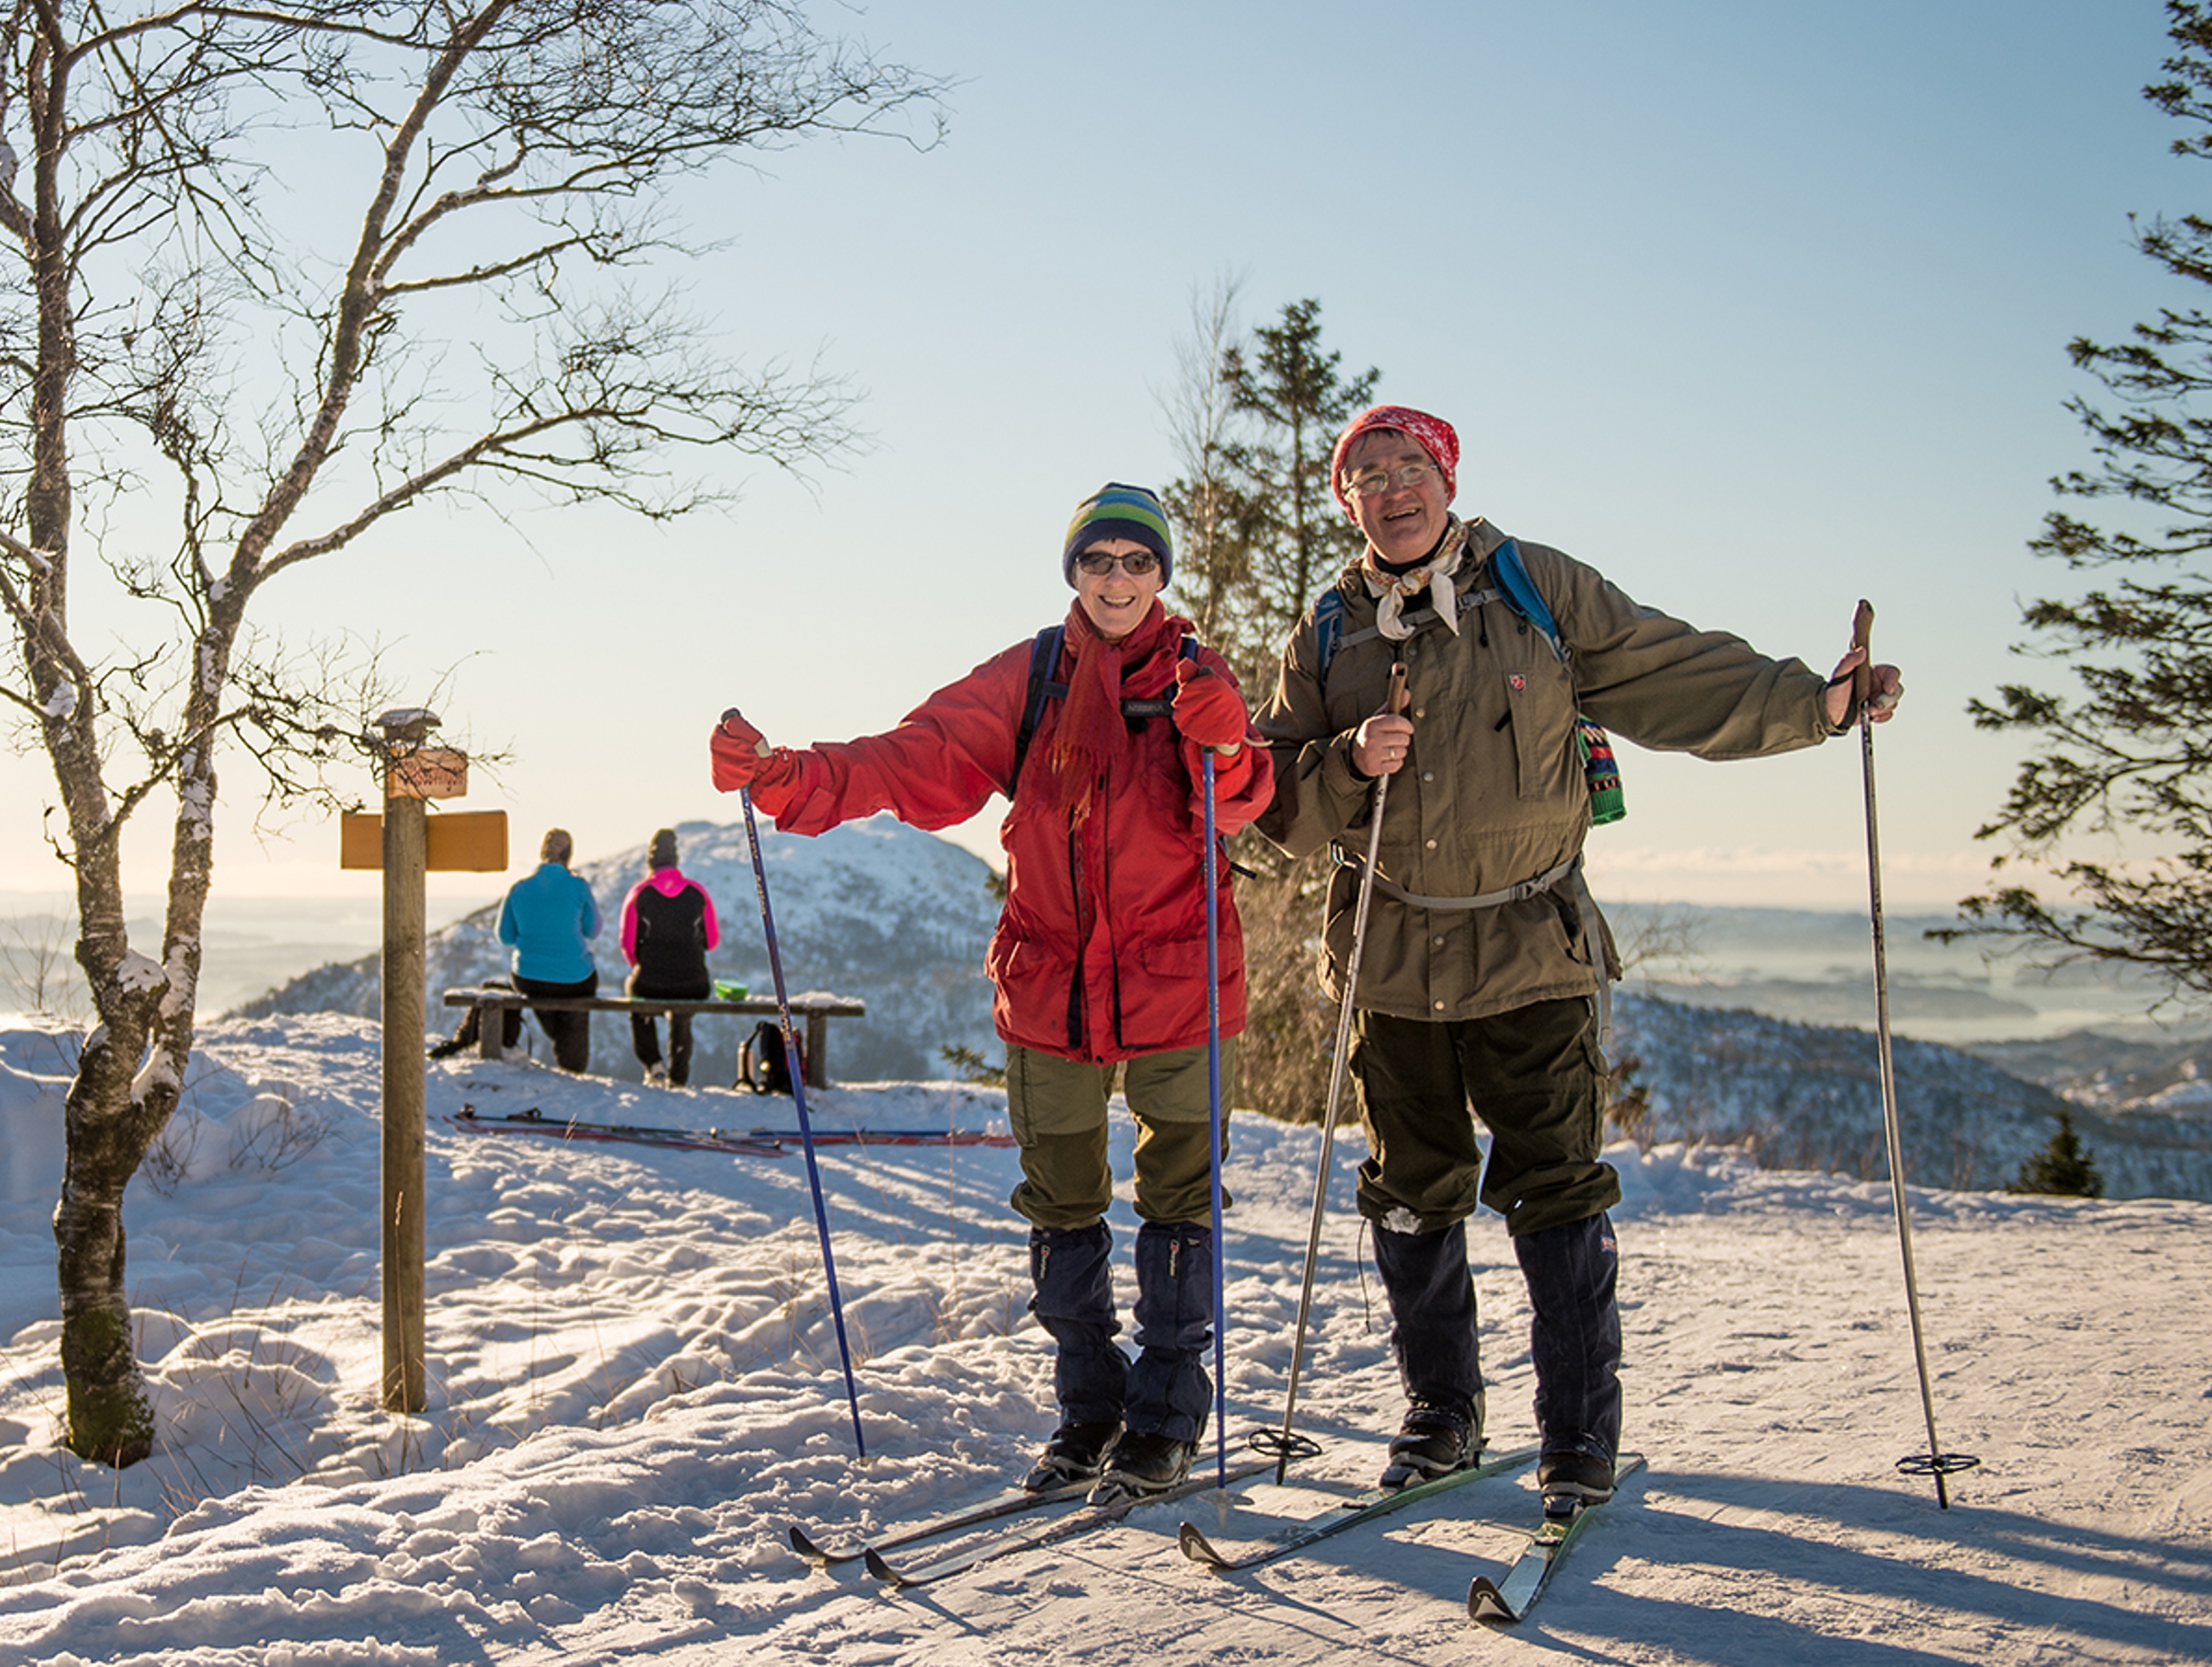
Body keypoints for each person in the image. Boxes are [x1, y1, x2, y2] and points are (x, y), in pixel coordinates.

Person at [1253, 404, 1902, 1510]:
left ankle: (1577, 1440)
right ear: (1344, 500)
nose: (1394, 488)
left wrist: (1817, 704)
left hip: (1530, 952)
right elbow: (1274, 810)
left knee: (1555, 1195)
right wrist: (1348, 764)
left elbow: (1671, 673)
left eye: (1413, 467)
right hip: (1392, 960)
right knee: (1411, 1193)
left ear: (1449, 482)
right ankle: (1441, 1418)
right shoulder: (1327, 632)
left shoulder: (1534, 589)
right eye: (1369, 473)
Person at [710, 485, 1274, 1497]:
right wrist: (789, 775)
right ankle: (1089, 1409)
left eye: (1136, 562)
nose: (1116, 578)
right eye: (1097, 560)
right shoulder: (1033, 678)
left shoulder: (1198, 676)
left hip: (1179, 987)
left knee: (1182, 1204)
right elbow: (916, 758)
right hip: (1052, 985)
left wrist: (1228, 745)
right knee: (1061, 1204)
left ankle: (1169, 1416)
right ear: (1074, 573)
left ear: (1162, 576)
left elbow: (1240, 804)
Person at [493, 828, 603, 1071]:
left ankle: (564, 1047)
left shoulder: (519, 888)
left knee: (544, 993)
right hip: (575, 979)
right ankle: (573, 1063)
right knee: (575, 1001)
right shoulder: (578, 886)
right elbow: (593, 931)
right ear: (569, 855)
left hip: (529, 978)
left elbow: (505, 936)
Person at [622, 828, 718, 1087]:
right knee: (682, 1015)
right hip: (693, 982)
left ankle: (653, 1065)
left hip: (651, 981)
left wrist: (642, 966)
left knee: (637, 999)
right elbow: (712, 941)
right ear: (676, 860)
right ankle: (679, 1076)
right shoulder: (697, 892)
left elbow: (627, 944)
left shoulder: (639, 893)